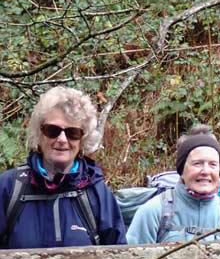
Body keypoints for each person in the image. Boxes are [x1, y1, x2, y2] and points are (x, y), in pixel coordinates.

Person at [0, 86, 126, 249]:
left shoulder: (96, 193)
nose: (62, 139)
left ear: (82, 140)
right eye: (52, 130)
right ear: (40, 134)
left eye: (72, 133)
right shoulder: (9, 188)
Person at [127, 125, 220, 243]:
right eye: (197, 163)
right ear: (182, 170)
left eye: (213, 164)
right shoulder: (154, 212)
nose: (206, 171)